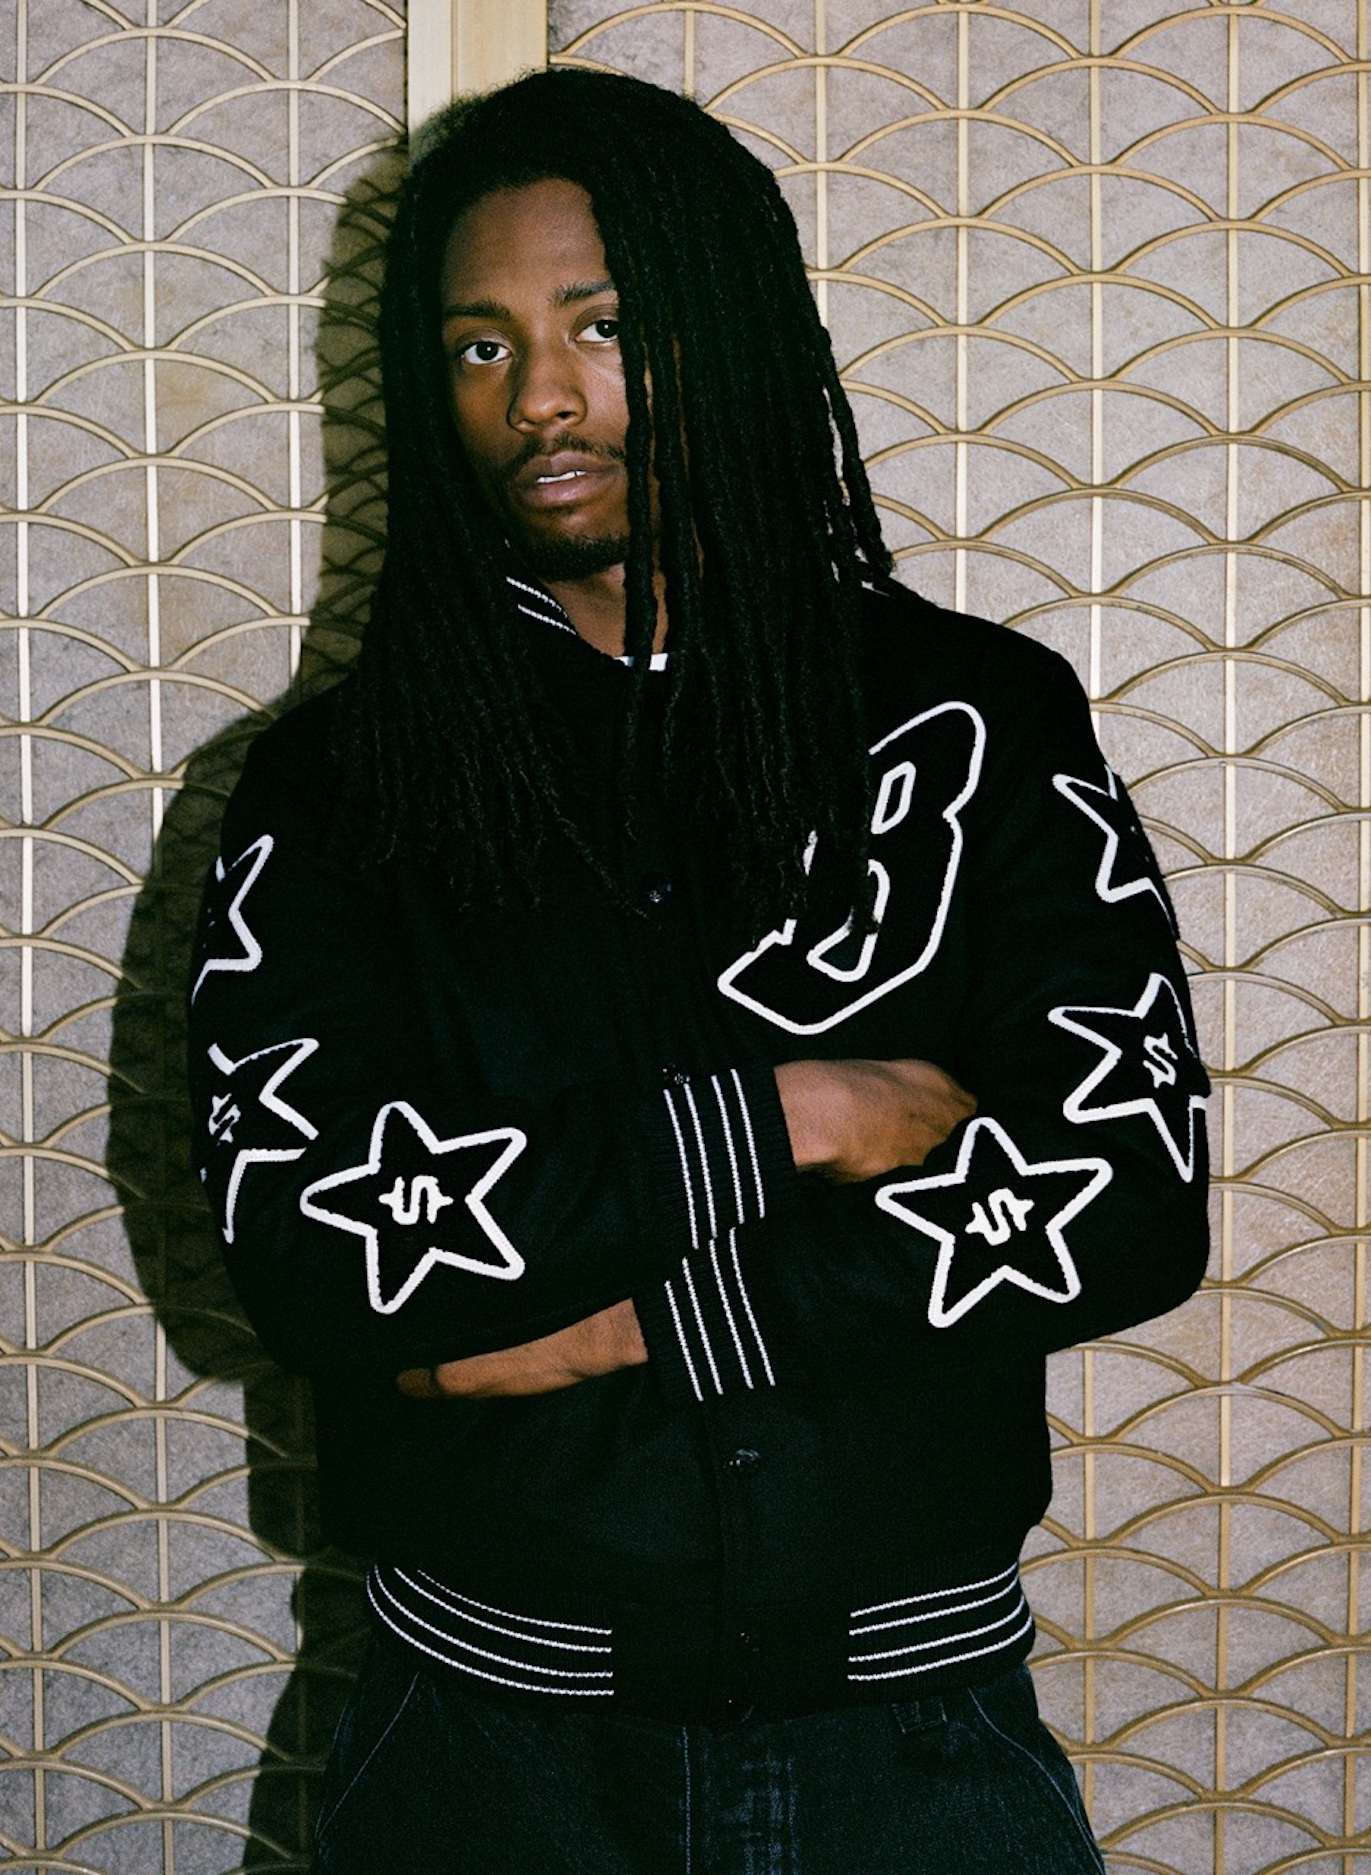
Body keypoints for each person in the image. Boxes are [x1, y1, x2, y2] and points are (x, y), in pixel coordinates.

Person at [187, 67, 1210, 1873]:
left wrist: (637, 1320)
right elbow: (312, 1258)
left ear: (729, 334)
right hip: (484, 1765)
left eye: (603, 326)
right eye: (482, 346)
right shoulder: (340, 789)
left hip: (921, 1752)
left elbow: (1128, 1201)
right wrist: (789, 1115)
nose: (542, 396)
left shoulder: (978, 719)